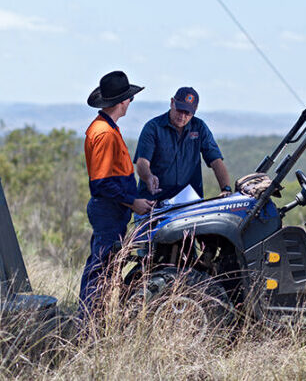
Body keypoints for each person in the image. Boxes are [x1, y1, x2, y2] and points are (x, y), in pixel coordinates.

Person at [79, 70, 154, 317]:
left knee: (106, 269)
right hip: (108, 211)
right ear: (123, 102)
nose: (130, 102)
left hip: (113, 210)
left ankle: (98, 323)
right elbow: (101, 183)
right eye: (129, 98)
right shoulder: (105, 133)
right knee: (99, 270)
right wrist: (133, 202)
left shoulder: (107, 128)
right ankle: (87, 327)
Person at [133, 87, 231, 202]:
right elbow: (142, 162)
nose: (182, 116)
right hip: (154, 202)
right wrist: (148, 176)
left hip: (188, 203)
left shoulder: (199, 127)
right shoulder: (153, 127)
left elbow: (215, 160)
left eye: (187, 113)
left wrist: (226, 189)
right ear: (172, 102)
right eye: (180, 110)